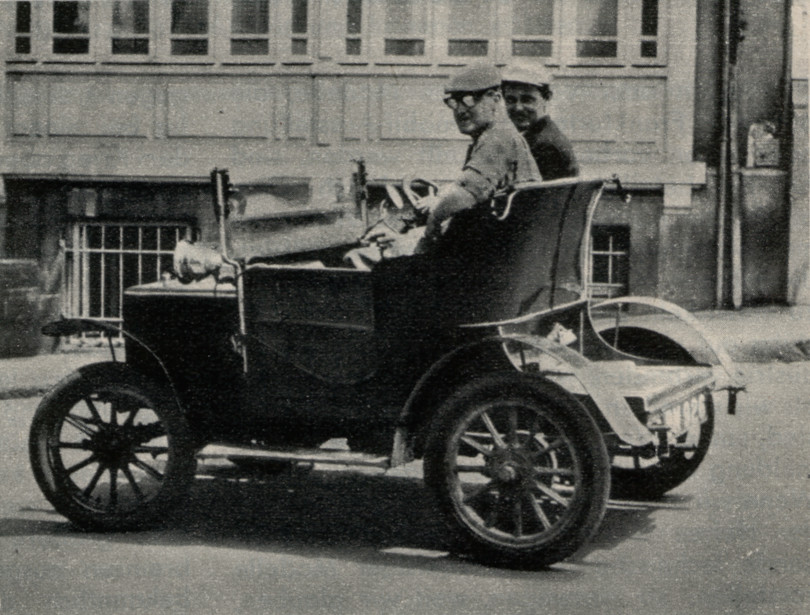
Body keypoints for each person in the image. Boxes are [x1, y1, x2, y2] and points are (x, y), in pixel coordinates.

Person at [346, 63, 540, 267]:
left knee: (360, 258)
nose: (460, 110)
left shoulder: (498, 138)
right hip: (501, 253)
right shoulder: (497, 136)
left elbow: (459, 198)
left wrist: (419, 244)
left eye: (469, 99)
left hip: (489, 263)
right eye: (453, 102)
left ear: (495, 98)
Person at [502, 62, 579, 181]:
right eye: (511, 100)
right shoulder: (542, 135)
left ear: (547, 97)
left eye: (527, 100)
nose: (518, 108)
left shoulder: (545, 147)